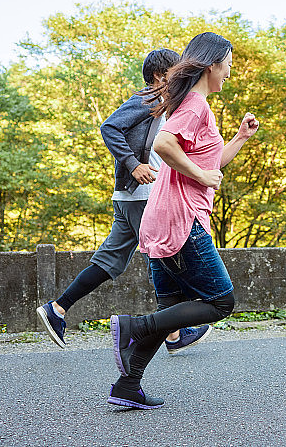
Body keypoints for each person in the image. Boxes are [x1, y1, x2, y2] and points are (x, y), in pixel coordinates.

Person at [105, 32, 260, 410]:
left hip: (160, 217)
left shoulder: (189, 104)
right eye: (227, 65)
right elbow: (163, 146)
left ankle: (128, 386)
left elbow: (212, 163)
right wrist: (201, 177)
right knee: (221, 302)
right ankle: (132, 327)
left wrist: (240, 137)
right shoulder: (194, 104)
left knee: (170, 306)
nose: (228, 73)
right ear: (212, 65)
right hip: (181, 218)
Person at [36, 48, 212, 355]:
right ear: (160, 76)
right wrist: (133, 164)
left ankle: (58, 309)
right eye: (176, 71)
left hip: (132, 198)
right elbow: (109, 127)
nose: (183, 76)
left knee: (110, 261)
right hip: (142, 195)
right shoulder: (148, 99)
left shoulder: (165, 104)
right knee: (165, 261)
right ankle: (170, 334)